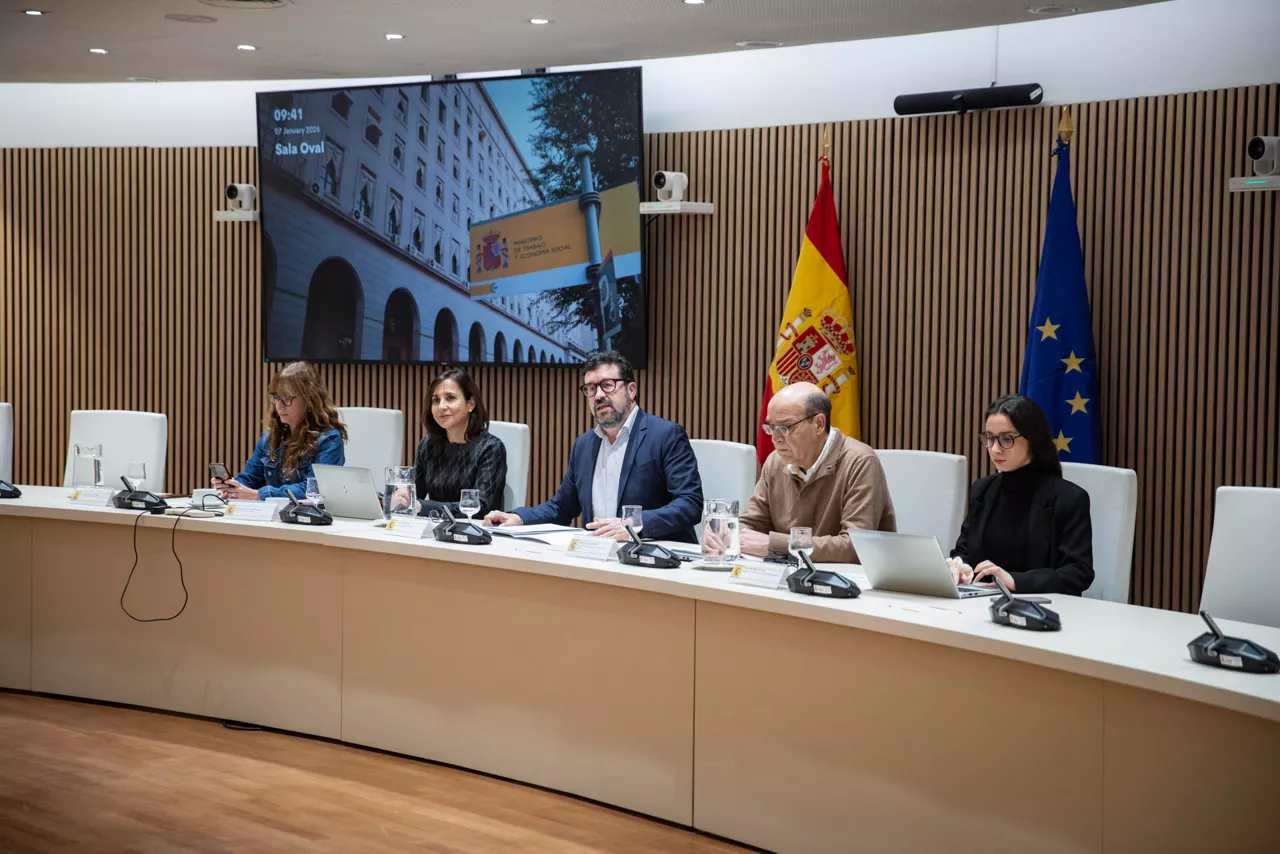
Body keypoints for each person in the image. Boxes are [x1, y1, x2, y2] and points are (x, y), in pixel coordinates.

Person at [484, 351, 703, 542]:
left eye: (607, 385)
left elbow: (690, 504)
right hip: (598, 555)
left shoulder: (665, 435)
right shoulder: (584, 444)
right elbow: (561, 507)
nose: (598, 395)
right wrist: (519, 518)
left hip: (655, 555)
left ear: (632, 390)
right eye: (590, 389)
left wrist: (632, 524)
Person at [948, 394, 1094, 595]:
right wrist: (958, 567)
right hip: (981, 604)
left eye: (1006, 439)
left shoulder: (1069, 498)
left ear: (1033, 440)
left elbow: (1078, 572)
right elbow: (963, 551)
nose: (995, 449)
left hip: (1044, 608)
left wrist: (1015, 580)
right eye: (989, 438)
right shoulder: (983, 489)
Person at [738, 381, 896, 563]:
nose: (775, 438)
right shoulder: (775, 461)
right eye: (770, 427)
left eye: (785, 427)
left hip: (851, 583)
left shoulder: (860, 462)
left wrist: (778, 544)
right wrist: (731, 536)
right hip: (788, 578)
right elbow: (750, 525)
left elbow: (855, 546)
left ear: (819, 424)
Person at [214, 361, 347, 501]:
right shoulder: (270, 438)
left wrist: (258, 495)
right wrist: (233, 487)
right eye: (276, 397)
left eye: (287, 398)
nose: (279, 405)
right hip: (274, 518)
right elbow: (250, 477)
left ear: (310, 400)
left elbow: (312, 490)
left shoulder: (329, 440)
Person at [403, 368, 507, 519]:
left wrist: (422, 506)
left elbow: (482, 507)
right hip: (433, 531)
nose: (441, 406)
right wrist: (401, 498)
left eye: (450, 398)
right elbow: (414, 494)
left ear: (470, 404)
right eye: (436, 400)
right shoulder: (428, 444)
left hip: (473, 533)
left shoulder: (491, 448)